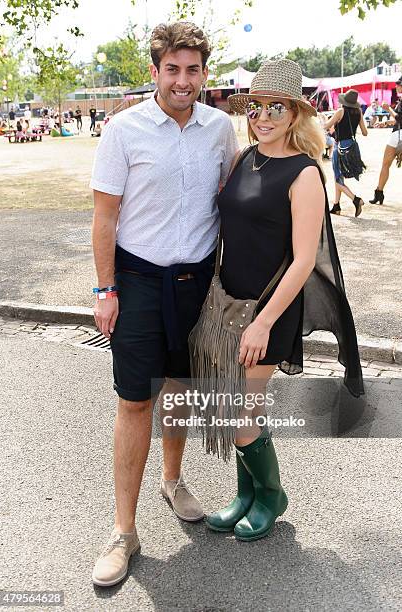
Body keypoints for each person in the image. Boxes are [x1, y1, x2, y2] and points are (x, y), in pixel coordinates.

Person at [89, 21, 238, 587]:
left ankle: (172, 482)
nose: (183, 80)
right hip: (138, 280)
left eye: (193, 69)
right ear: (154, 72)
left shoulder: (220, 129)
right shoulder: (123, 130)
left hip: (197, 282)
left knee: (181, 388)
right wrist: (106, 290)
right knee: (134, 403)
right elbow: (105, 217)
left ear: (204, 72)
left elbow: (229, 203)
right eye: (172, 70)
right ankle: (124, 532)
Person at [201, 58, 364, 542]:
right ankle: (246, 496)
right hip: (227, 306)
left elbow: (302, 261)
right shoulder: (242, 159)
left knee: (236, 411)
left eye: (277, 107)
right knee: (243, 409)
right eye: (256, 107)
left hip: (268, 313)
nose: (264, 116)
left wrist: (264, 323)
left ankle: (271, 496)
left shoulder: (305, 174)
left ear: (295, 113)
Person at [324, 89, 368, 216]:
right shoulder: (358, 112)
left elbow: (326, 126)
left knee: (338, 177)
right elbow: (365, 133)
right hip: (352, 147)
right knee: (338, 176)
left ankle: (356, 199)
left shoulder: (340, 111)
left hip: (341, 146)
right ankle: (336, 206)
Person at [369, 76, 402, 205]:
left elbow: (399, 118)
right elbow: (397, 120)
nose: (396, 86)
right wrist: (386, 123)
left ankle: (379, 192)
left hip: (397, 136)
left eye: (398, 84)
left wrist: (388, 109)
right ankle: (379, 193)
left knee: (385, 164)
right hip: (398, 131)